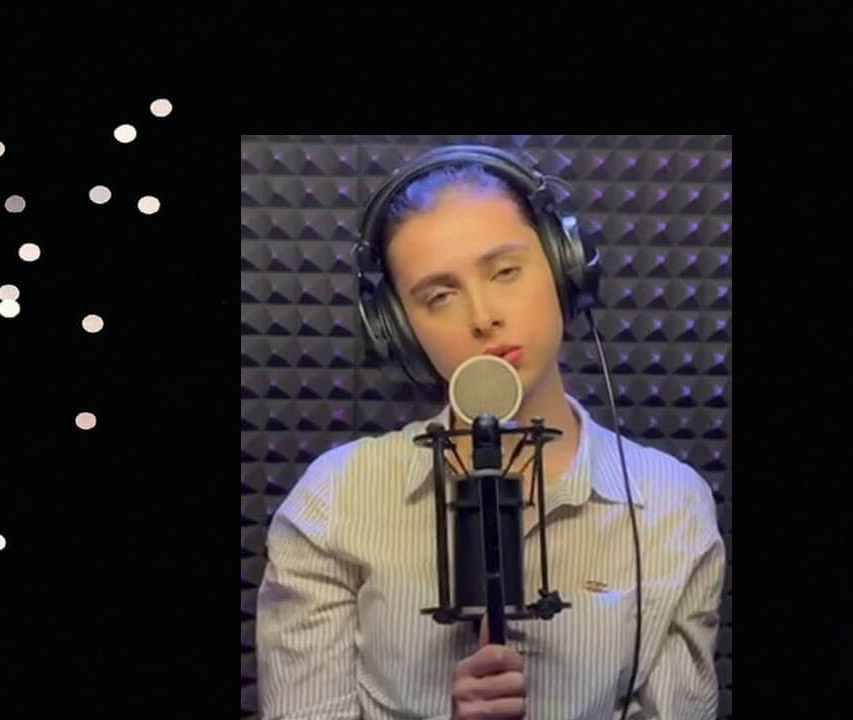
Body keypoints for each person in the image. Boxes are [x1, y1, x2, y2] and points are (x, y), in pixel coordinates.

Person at [254, 145, 725, 719]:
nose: (483, 317)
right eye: (439, 296)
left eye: (505, 272)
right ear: (400, 330)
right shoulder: (334, 501)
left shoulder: (673, 506)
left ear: (566, 268)